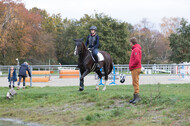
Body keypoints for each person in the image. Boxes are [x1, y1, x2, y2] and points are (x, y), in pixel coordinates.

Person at [129, 37, 142, 104]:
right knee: (134, 82)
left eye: (130, 43)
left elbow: (137, 60)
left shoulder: (136, 49)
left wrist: (131, 66)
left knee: (135, 82)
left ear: (132, 43)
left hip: (135, 68)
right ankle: (135, 97)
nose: (130, 44)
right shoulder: (135, 49)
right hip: (135, 68)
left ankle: (137, 97)